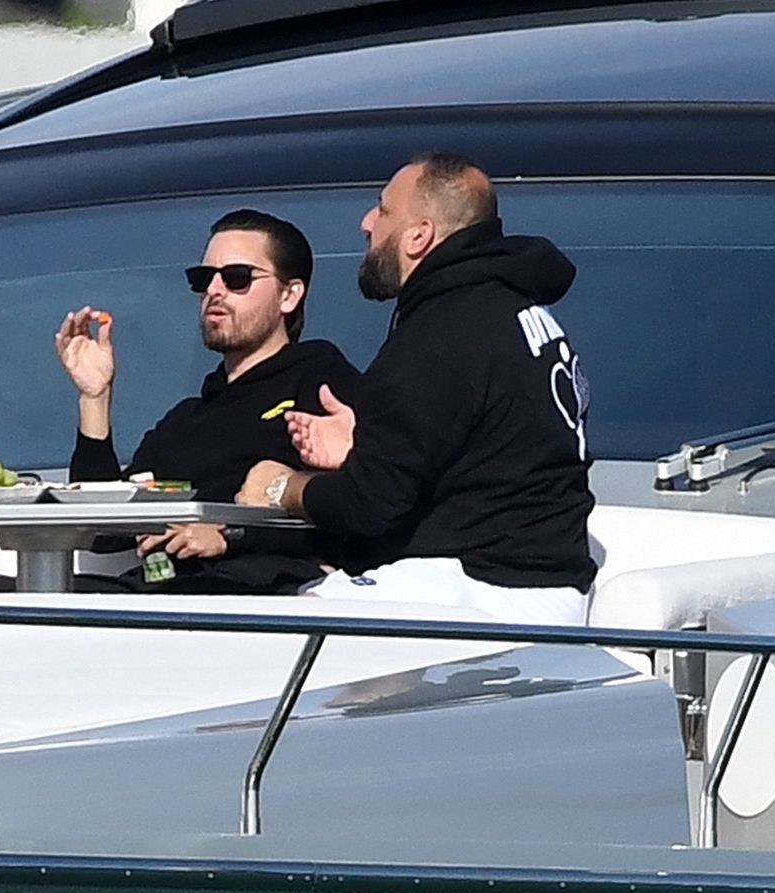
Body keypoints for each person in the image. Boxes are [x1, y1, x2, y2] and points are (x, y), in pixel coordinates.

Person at [236, 153, 596, 622]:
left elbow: (369, 505)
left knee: (276, 630)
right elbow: (493, 450)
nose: (367, 222)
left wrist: (281, 487)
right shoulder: (515, 313)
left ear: (419, 236)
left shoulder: (441, 334)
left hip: (489, 588)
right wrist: (367, 442)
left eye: (383, 210)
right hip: (543, 588)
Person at [55, 208, 361, 594]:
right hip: (157, 595)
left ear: (289, 295)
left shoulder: (321, 383)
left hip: (259, 601)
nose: (214, 290)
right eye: (204, 278)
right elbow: (100, 531)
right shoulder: (184, 421)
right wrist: (94, 397)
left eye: (237, 277)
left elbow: (360, 505)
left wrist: (229, 535)